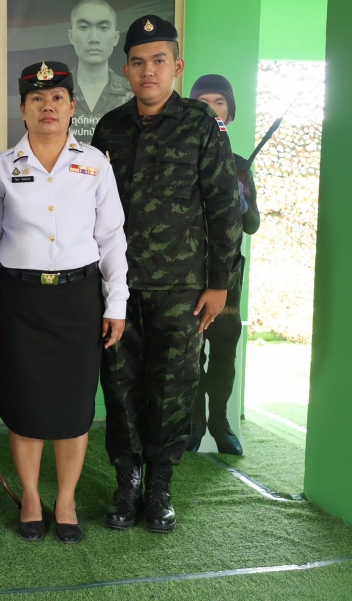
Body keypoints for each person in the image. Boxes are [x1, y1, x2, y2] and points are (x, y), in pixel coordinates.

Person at [91, 15, 242, 533]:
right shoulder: (110, 127)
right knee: (120, 384)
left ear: (177, 66)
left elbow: (225, 206)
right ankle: (127, 479)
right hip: (118, 286)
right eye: (138, 62)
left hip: (182, 289)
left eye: (158, 61)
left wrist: (220, 284)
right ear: (126, 70)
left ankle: (159, 484)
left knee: (173, 386)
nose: (148, 71)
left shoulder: (201, 124)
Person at [0, 61, 128, 544]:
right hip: (20, 301)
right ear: (22, 109)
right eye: (37, 99)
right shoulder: (1, 167)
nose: (48, 106)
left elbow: (112, 238)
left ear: (72, 106)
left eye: (57, 97)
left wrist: (116, 303)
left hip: (79, 300)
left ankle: (65, 500)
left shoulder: (95, 164)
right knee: (25, 405)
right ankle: (31, 498)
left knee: (74, 408)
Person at [187, 74, 260, 455]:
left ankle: (219, 422)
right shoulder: (182, 160)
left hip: (228, 279)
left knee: (224, 354)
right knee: (190, 354)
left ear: (230, 112)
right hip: (186, 275)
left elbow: (252, 224)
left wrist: (242, 201)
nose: (212, 109)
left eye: (219, 102)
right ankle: (193, 424)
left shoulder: (241, 165)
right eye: (203, 102)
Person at [68, 0, 133, 143]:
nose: (93, 39)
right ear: (71, 36)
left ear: (116, 38)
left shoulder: (133, 95)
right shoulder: (55, 94)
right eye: (84, 27)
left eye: (103, 28)